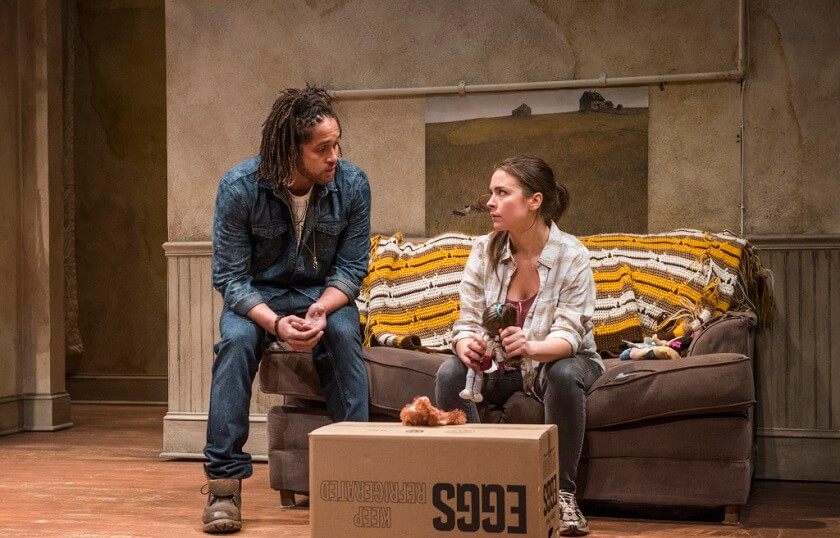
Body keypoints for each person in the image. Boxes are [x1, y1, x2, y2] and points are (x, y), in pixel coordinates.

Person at [202, 86, 371, 533]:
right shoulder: (239, 188)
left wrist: (322, 309)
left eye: (337, 144)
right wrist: (275, 323)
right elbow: (231, 279)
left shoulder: (353, 185)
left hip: (321, 293)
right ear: (291, 151)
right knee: (235, 343)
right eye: (322, 149)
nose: (334, 157)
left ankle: (357, 474)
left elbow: (352, 268)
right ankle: (224, 487)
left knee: (344, 335)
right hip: (261, 296)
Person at [435, 155, 604, 536]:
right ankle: (477, 486)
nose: (490, 203)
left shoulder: (572, 254)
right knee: (449, 372)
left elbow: (569, 337)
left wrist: (530, 347)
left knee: (563, 373)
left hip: (560, 361)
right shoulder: (484, 250)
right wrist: (466, 346)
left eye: (501, 193)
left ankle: (562, 496)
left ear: (534, 201)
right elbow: (466, 321)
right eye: (491, 193)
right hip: (505, 366)